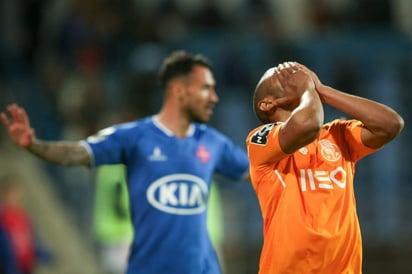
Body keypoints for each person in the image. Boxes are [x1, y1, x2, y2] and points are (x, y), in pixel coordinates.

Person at [0, 50, 250, 274]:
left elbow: (256, 171)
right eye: (206, 88)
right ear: (178, 90)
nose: (214, 97)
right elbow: (78, 153)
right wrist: (34, 145)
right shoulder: (133, 137)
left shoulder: (213, 142)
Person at [246, 62, 404, 273]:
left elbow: (391, 124)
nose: (292, 72)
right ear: (267, 104)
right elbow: (307, 125)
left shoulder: (338, 134)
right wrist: (306, 89)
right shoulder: (261, 140)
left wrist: (323, 90)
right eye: (280, 74)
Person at [92, 164, 133, 274]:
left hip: (104, 232)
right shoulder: (123, 171)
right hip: (122, 235)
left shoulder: (106, 168)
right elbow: (123, 205)